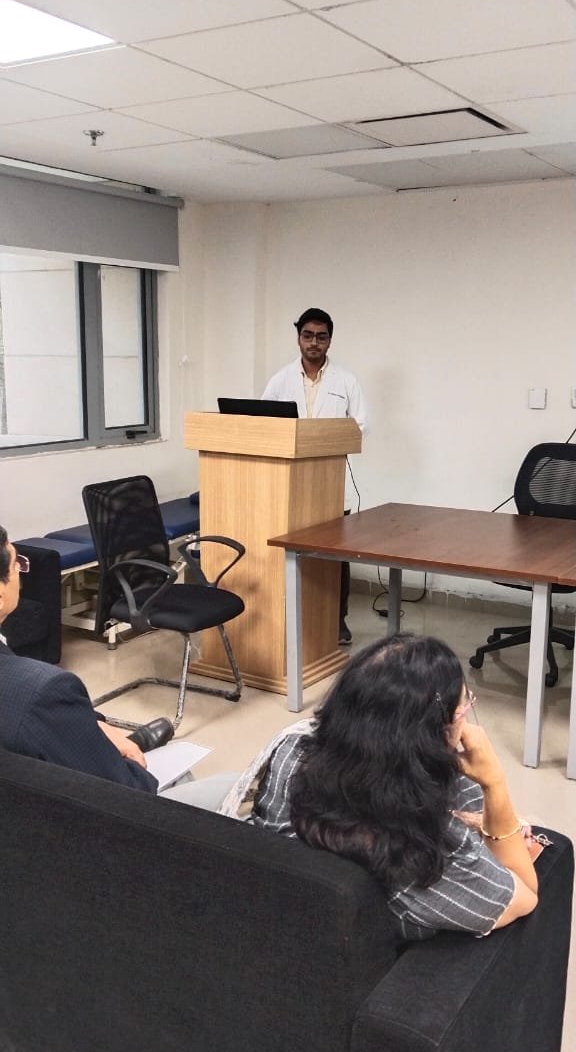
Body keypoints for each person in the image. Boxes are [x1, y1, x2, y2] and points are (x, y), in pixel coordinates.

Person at [221, 634, 540, 940]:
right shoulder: (422, 855)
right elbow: (526, 895)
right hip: (371, 948)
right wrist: (495, 783)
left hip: (271, 913)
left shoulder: (293, 752)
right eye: (464, 708)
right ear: (435, 733)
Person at [0, 526, 235, 803]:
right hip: (71, 821)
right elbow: (124, 794)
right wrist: (134, 767)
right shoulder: (42, 691)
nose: (20, 571)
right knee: (227, 784)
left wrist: (94, 726)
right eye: (17, 564)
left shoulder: (23, 682)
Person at [262, 307, 367, 644]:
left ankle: (337, 621)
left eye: (321, 337)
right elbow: (262, 423)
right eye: (308, 335)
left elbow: (360, 427)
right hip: (290, 483)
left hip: (331, 482)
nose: (314, 343)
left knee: (336, 556)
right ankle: (292, 619)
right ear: (298, 338)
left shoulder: (346, 381)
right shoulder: (280, 380)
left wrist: (319, 439)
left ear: (330, 341)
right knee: (293, 553)